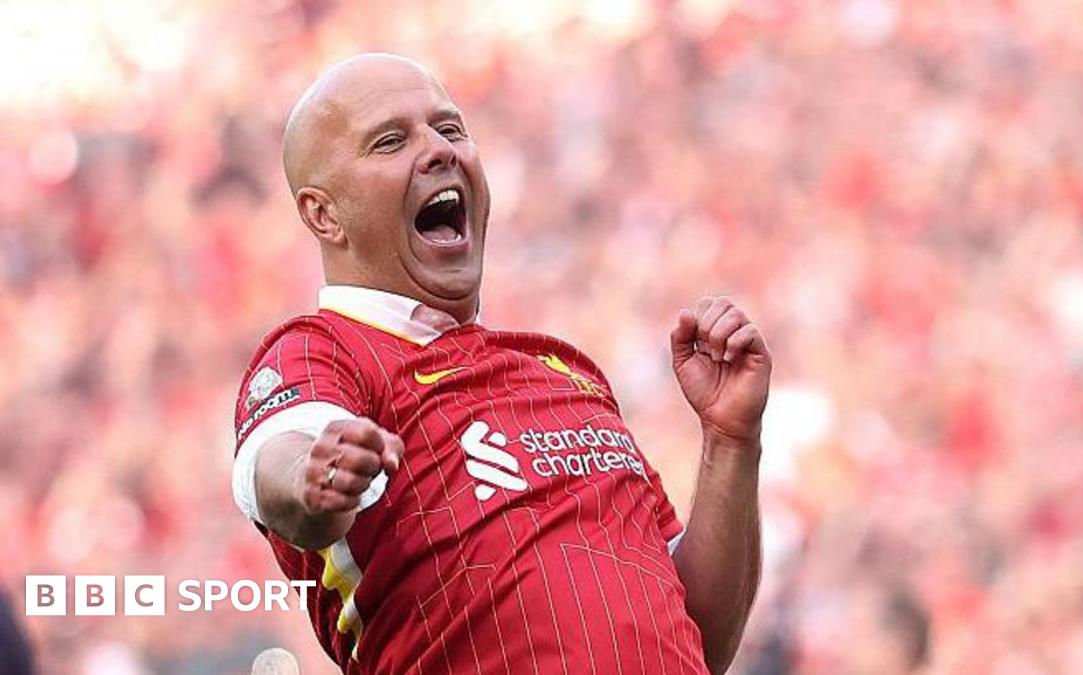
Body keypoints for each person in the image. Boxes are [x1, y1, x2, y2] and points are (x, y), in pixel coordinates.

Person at [230, 53, 771, 675]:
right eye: (390, 141)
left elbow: (697, 636)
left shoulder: (564, 371)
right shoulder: (323, 350)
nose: (438, 150)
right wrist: (309, 475)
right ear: (324, 214)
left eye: (451, 129)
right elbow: (276, 462)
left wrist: (732, 441)